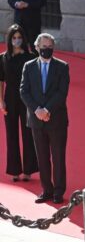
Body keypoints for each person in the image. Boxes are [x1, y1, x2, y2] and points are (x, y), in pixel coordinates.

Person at [20, 33, 70, 204]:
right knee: (42, 156)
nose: (46, 50)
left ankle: (58, 191)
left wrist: (47, 109)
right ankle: (46, 189)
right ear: (36, 47)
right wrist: (37, 110)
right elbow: (24, 91)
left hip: (56, 119)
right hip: (36, 119)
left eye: (50, 47)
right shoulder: (29, 66)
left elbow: (62, 92)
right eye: (44, 47)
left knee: (58, 157)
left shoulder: (62, 67)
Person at [0, 24, 38, 182]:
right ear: (9, 39)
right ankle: (15, 170)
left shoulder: (30, 58)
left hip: (26, 99)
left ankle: (28, 170)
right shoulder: (3, 58)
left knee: (28, 133)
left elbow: (35, 81)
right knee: (11, 134)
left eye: (19, 38)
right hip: (10, 98)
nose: (17, 40)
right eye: (14, 38)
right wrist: (1, 101)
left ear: (23, 39)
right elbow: (1, 81)